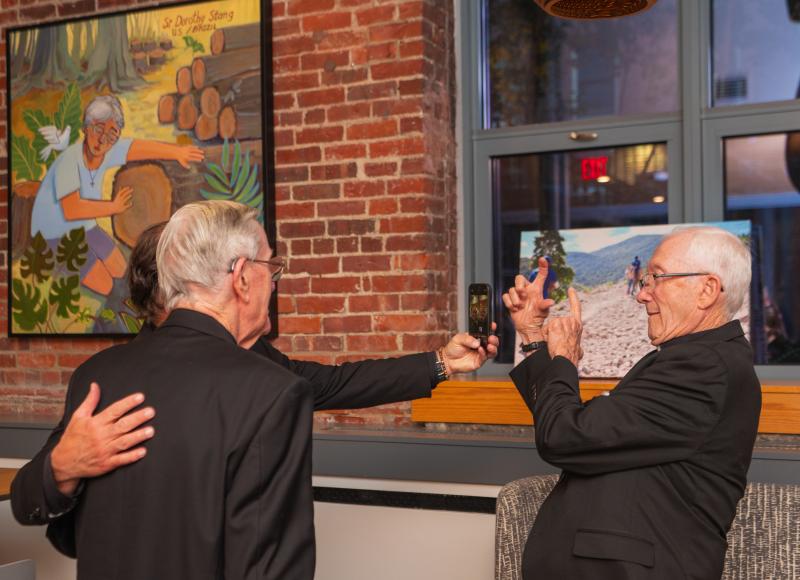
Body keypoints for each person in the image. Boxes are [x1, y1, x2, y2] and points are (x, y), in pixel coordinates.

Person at [12, 203, 499, 577]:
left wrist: (439, 363)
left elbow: (333, 382)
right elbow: (37, 509)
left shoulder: (111, 372)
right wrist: (60, 467)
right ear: (242, 278)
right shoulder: (111, 381)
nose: (276, 282)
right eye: (273, 268)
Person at [502, 226, 761, 580]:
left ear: (707, 290)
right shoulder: (690, 358)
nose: (643, 295)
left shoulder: (703, 367)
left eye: (657, 279)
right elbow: (579, 431)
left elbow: (564, 436)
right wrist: (534, 338)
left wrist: (563, 360)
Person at [30, 95, 204, 296]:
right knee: (105, 285)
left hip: (85, 228)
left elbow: (136, 148)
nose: (103, 139)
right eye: (98, 129)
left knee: (122, 270)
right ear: (86, 127)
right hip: (54, 234)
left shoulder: (108, 151)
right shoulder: (70, 161)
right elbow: (72, 210)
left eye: (111, 135)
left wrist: (177, 153)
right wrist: (113, 207)